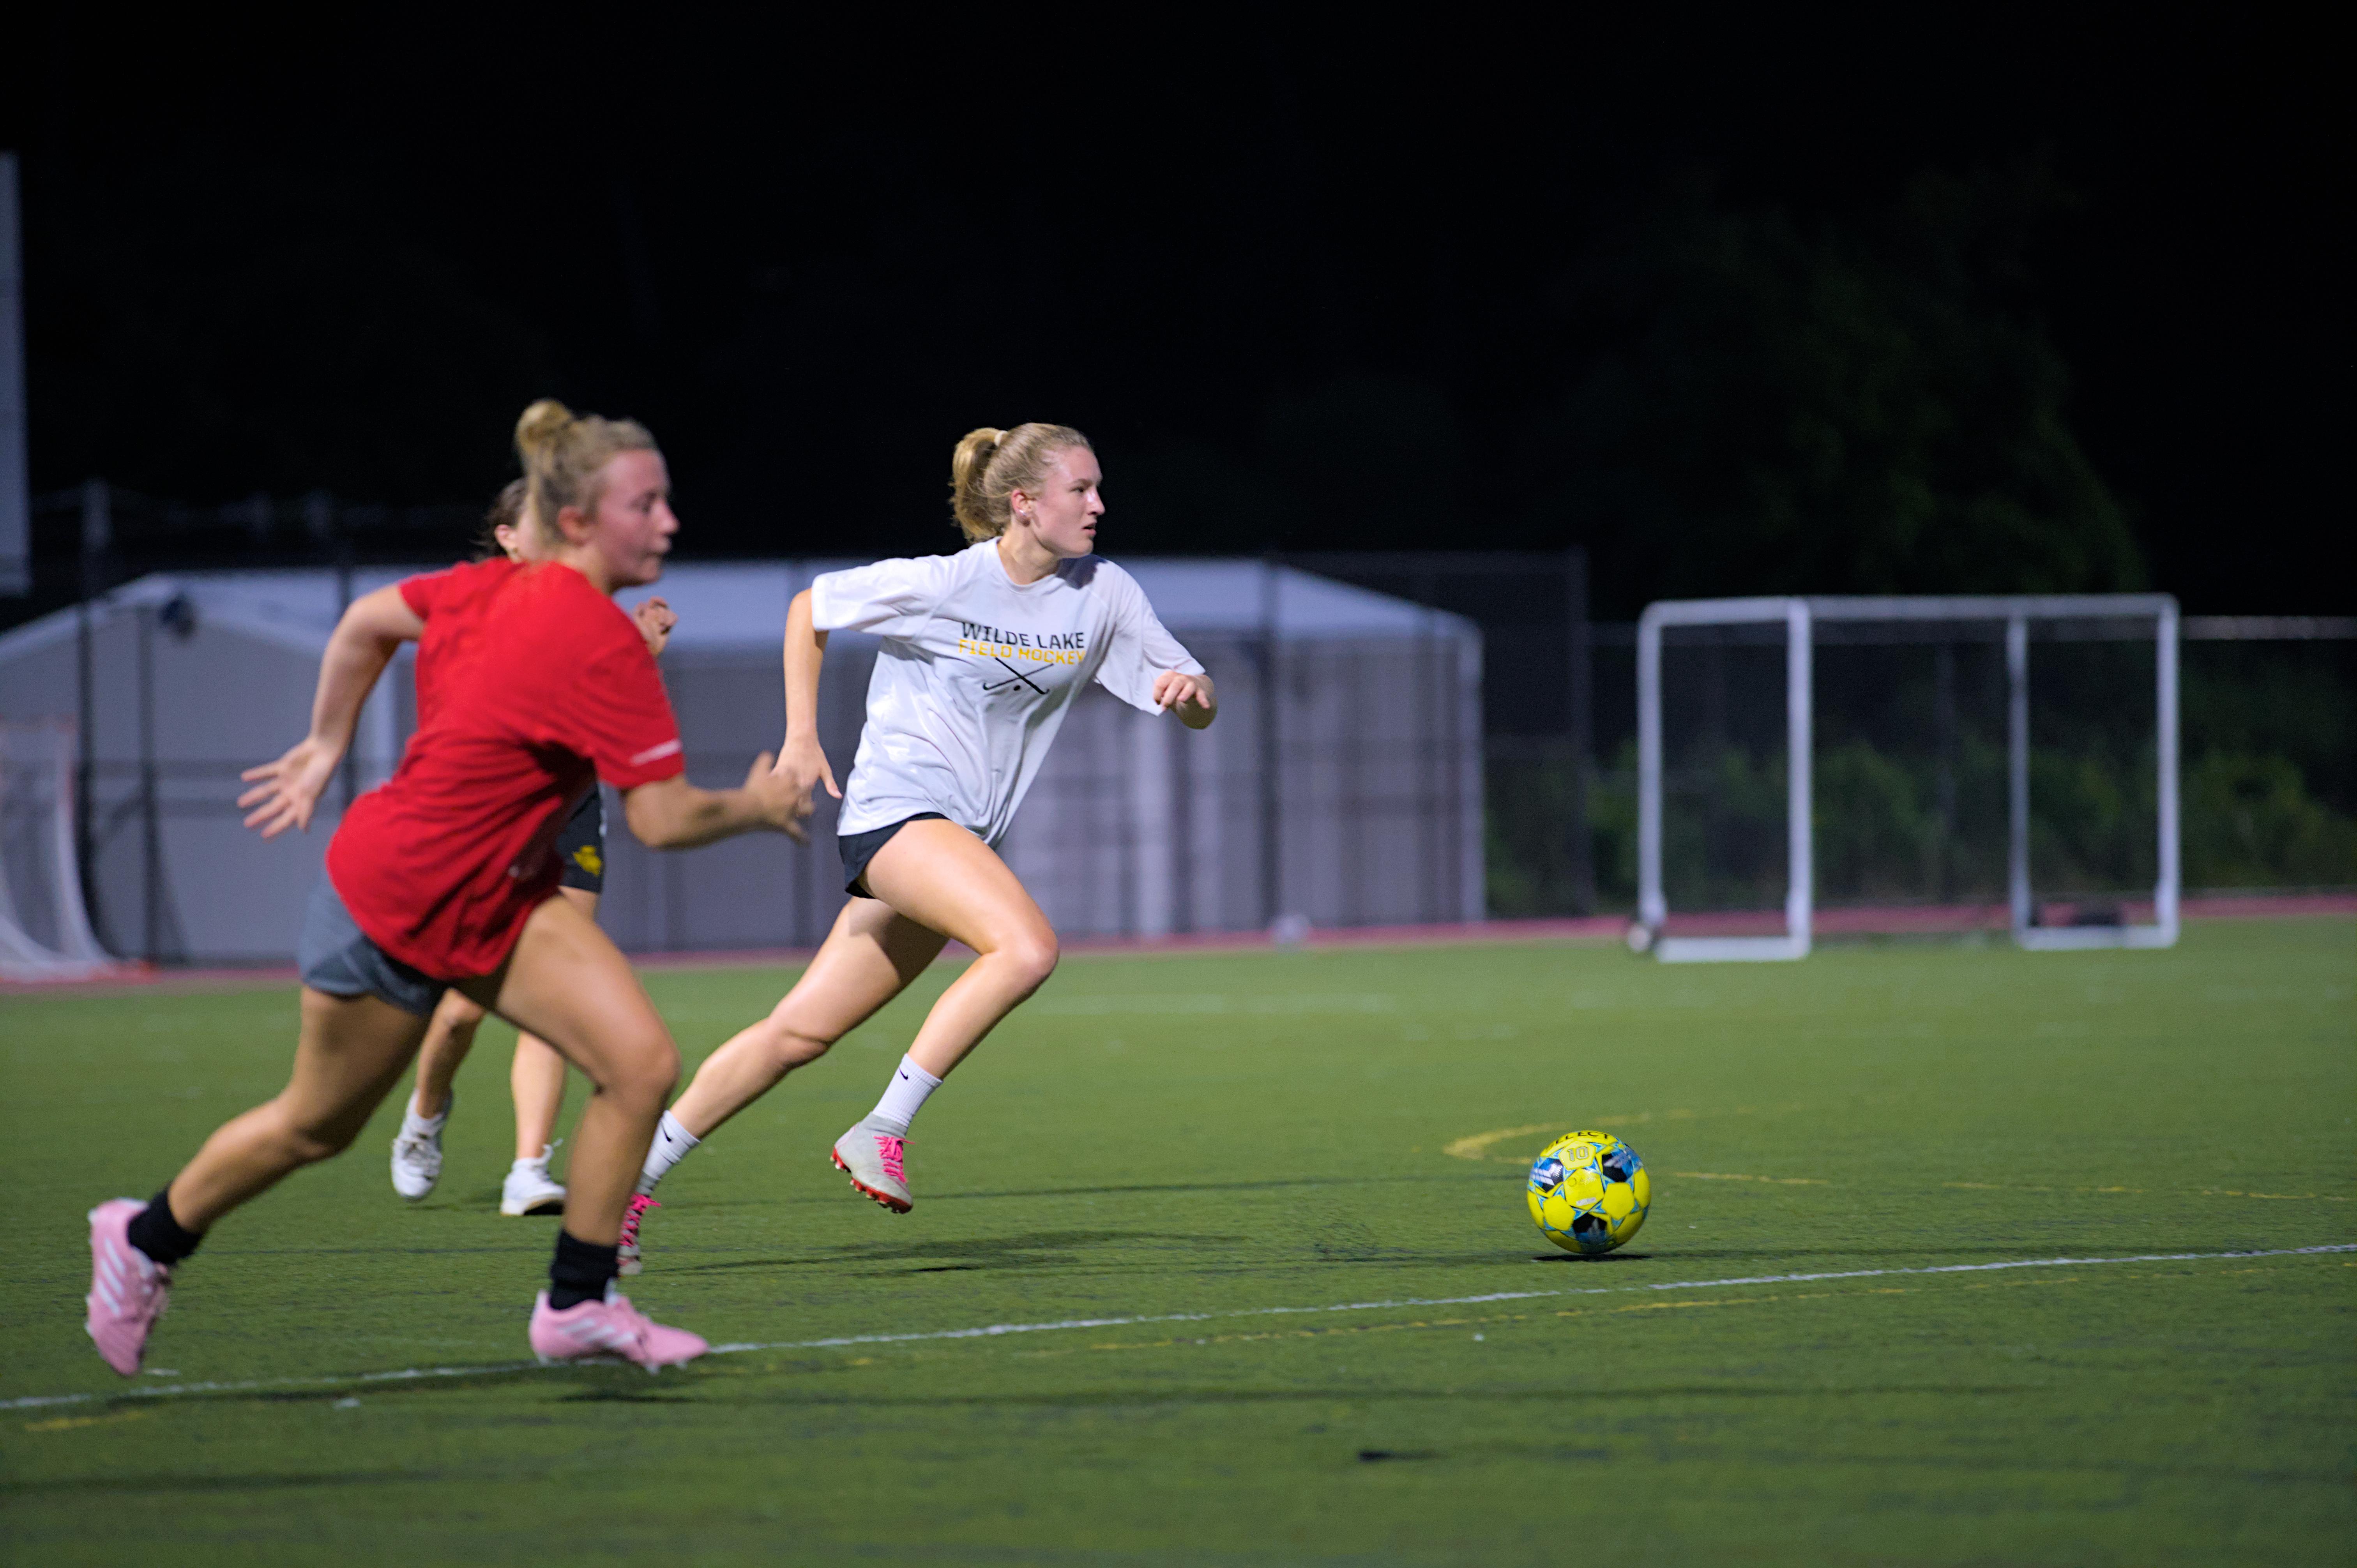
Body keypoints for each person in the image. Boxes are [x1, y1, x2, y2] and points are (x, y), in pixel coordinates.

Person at [83, 400, 807, 1376]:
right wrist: (758, 805)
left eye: (667, 499)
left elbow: (367, 621)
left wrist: (329, 740)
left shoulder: (488, 589)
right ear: (583, 521)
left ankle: (579, 1302)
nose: (670, 521)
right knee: (316, 1124)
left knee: (639, 1065)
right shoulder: (600, 642)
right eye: (647, 504)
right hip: (400, 898)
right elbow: (663, 820)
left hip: (501, 895)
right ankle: (143, 1239)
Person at [617, 423, 1214, 1272]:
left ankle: (624, 1191)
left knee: (796, 1033)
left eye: (1098, 487)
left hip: (952, 839)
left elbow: (1195, 698)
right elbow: (808, 608)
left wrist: (1191, 694)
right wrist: (800, 736)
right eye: (1081, 488)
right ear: (1023, 503)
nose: (1098, 504)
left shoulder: (1104, 593)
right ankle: (882, 1126)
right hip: (899, 814)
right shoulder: (943, 583)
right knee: (1027, 946)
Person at [387, 481, 679, 1218]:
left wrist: (640, 655)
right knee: (459, 1015)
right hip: (487, 820)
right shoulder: (475, 608)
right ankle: (425, 1114)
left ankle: (528, 1167)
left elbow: (606, 722)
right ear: (509, 539)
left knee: (555, 997)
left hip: (569, 812)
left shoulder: (591, 615)